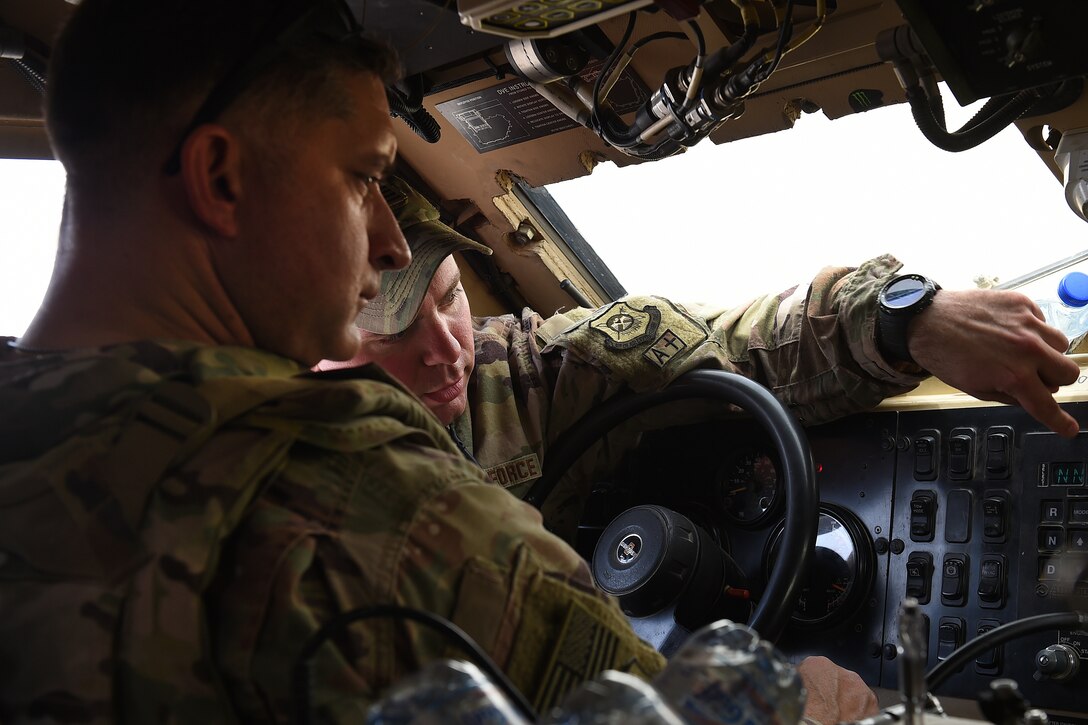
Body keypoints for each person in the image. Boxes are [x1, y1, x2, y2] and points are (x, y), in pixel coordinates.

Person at [0, 0, 877, 723]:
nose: (386, 239)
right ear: (221, 178)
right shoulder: (334, 484)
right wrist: (797, 703)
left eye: (452, 293)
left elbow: (622, 343)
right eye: (359, 178)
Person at [324, 175, 1082, 539]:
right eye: (393, 334)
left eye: (451, 296)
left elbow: (734, 346)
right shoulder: (279, 487)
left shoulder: (514, 373)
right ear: (310, 341)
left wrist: (906, 317)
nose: (446, 349)